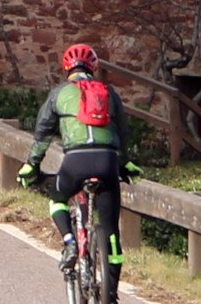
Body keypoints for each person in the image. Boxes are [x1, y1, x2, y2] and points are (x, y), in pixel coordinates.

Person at [30, 43, 129, 282]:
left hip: (75, 162)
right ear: (93, 67)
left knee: (57, 198)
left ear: (66, 68)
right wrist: (124, 163)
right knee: (111, 230)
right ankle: (112, 294)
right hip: (107, 162)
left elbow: (43, 133)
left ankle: (70, 242)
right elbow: (123, 132)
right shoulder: (109, 93)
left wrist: (32, 165)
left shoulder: (59, 94)